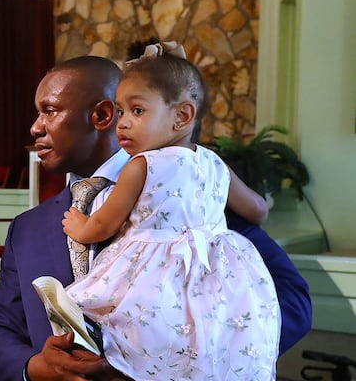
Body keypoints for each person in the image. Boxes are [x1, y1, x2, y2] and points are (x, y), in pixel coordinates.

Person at [0, 54, 312, 380]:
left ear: (103, 115)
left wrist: (181, 361)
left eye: (49, 111)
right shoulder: (27, 228)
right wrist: (37, 368)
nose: (35, 127)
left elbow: (293, 302)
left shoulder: (194, 195)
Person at [60, 42, 278, 378]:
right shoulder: (213, 163)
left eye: (138, 111)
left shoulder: (143, 165)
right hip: (218, 273)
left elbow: (105, 223)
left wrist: (80, 228)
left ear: (182, 116)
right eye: (120, 112)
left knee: (140, 328)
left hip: (157, 270)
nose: (123, 123)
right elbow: (257, 210)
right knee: (214, 331)